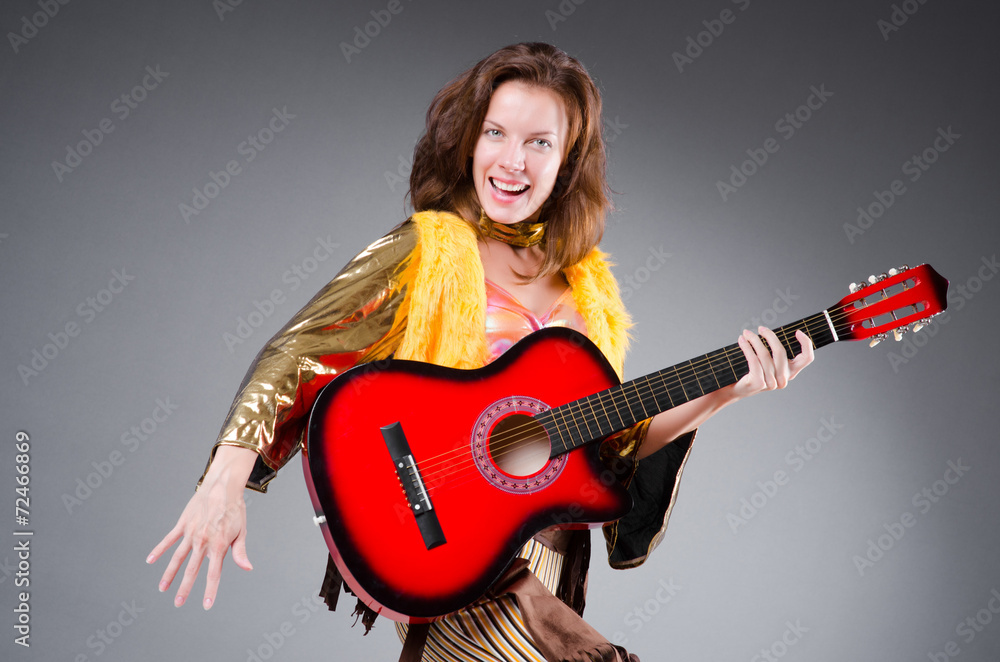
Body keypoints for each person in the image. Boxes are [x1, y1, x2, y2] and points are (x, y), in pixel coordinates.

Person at [148, 42, 814, 662]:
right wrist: (222, 485)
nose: (511, 161)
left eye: (538, 142)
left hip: (550, 562)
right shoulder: (430, 249)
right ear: (468, 139)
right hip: (458, 551)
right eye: (495, 133)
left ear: (568, 159)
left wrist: (728, 390)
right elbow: (301, 352)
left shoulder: (590, 289)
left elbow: (609, 448)